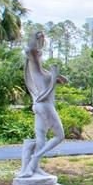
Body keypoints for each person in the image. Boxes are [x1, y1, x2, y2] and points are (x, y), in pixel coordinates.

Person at [20, 31, 66, 177]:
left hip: (39, 107)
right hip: (45, 106)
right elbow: (32, 49)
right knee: (59, 136)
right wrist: (37, 38)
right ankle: (34, 161)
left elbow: (63, 81)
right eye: (38, 54)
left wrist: (56, 76)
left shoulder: (45, 72)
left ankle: (30, 169)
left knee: (41, 139)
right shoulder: (36, 70)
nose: (40, 55)